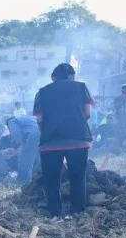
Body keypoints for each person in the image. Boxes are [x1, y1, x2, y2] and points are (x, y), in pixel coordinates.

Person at [32, 63, 93, 220]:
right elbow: (87, 113)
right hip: (78, 140)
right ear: (72, 76)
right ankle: (77, 213)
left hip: (50, 142)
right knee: (78, 177)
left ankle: (55, 214)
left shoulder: (42, 92)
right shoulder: (81, 88)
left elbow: (39, 119)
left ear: (53, 77)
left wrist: (48, 132)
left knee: (52, 179)